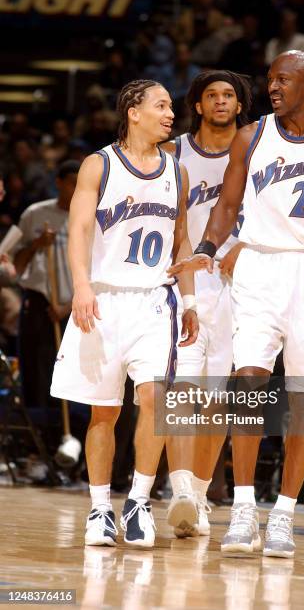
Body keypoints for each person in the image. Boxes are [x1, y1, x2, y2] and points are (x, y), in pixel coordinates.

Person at [169, 50, 304, 558]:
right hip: (259, 267)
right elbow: (226, 205)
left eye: (284, 80)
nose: (273, 88)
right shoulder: (252, 135)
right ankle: (243, 507)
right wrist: (203, 250)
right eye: (270, 80)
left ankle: (282, 514)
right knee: (248, 383)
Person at [50, 80, 198, 548]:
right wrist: (81, 287)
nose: (170, 114)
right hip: (103, 298)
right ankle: (99, 508)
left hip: (154, 300)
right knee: (104, 412)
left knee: (154, 400)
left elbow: (182, 240)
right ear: (133, 111)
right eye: (161, 106)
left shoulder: (177, 171)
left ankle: (137, 501)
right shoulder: (99, 164)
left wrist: (190, 299)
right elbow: (77, 231)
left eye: (171, 107)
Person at [161, 70, 252, 538]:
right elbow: (169, 223)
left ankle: (197, 496)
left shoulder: (256, 148)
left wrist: (246, 244)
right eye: (211, 95)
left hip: (240, 283)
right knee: (181, 388)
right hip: (185, 279)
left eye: (229, 95)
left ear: (239, 105)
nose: (220, 101)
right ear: (197, 105)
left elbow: (268, 214)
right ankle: (178, 490)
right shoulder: (174, 153)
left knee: (218, 395)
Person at [14, 160, 80, 413]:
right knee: (35, 367)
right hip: (39, 300)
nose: (77, 188)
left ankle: (66, 433)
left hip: (73, 305)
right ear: (59, 183)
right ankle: (38, 432)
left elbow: (97, 267)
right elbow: (14, 261)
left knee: (67, 369)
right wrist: (36, 244)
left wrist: (68, 306)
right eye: (72, 183)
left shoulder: (89, 217)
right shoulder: (35, 214)